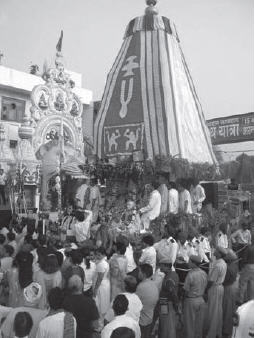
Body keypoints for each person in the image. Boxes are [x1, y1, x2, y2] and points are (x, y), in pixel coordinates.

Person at [183, 255, 207, 338]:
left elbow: (186, 290)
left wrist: (183, 300)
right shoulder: (203, 273)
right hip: (201, 300)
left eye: (190, 261)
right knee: (199, 324)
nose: (188, 263)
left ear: (193, 263)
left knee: (189, 323)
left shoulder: (190, 274)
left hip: (191, 300)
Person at [205, 246, 227, 338]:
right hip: (219, 287)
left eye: (216, 251)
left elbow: (211, 281)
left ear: (219, 253)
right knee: (218, 310)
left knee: (212, 311)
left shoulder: (218, 265)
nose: (214, 251)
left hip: (214, 288)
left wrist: (205, 290)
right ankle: (217, 332)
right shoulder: (222, 263)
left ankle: (211, 334)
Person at [136, 264, 159, 338]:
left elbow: (135, 303)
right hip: (149, 317)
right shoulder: (154, 284)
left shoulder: (141, 287)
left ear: (144, 274)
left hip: (142, 320)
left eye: (139, 271)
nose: (138, 273)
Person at [158, 259, 179, 338]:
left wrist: (177, 306)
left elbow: (173, 294)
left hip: (166, 304)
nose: (160, 267)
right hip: (165, 303)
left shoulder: (169, 278)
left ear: (167, 266)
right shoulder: (173, 274)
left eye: (161, 265)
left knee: (167, 325)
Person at [222, 249, 238, 338]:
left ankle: (226, 330)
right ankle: (228, 329)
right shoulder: (234, 265)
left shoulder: (228, 267)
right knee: (230, 308)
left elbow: (225, 280)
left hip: (227, 288)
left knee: (226, 309)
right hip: (232, 287)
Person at [94, 247, 110, 328]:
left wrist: (95, 289)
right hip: (105, 283)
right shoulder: (104, 262)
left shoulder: (101, 264)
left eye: (99, 255)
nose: (97, 256)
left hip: (101, 285)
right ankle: (101, 323)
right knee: (103, 303)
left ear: (103, 254)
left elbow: (99, 279)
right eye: (96, 254)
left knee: (100, 304)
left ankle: (100, 325)